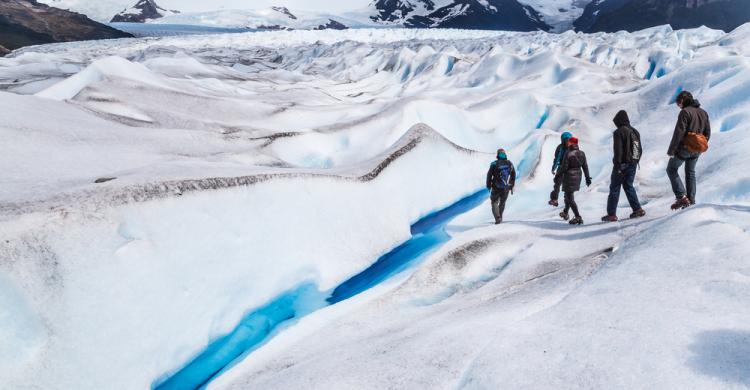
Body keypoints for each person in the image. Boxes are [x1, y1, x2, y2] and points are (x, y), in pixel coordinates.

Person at [666, 91, 711, 210]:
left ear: (683, 101)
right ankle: (691, 200)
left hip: (685, 148)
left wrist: (671, 150)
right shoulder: (703, 112)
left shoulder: (685, 112)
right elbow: (708, 132)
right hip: (698, 149)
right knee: (690, 172)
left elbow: (679, 133)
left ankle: (681, 197)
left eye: (678, 103)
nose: (678, 105)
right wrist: (700, 144)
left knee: (671, 169)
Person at [602, 110, 646, 222]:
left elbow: (618, 152)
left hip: (621, 165)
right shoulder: (635, 131)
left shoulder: (619, 132)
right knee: (628, 186)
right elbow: (639, 150)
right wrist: (635, 162)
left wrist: (617, 166)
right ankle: (638, 209)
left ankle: (611, 214)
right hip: (633, 164)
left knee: (614, 188)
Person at [555, 137, 591, 225]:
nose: (567, 143)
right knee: (569, 196)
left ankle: (578, 217)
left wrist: (557, 175)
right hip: (578, 176)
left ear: (571, 143)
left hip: (569, 177)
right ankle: (565, 212)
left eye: (569, 142)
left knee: (570, 198)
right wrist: (587, 178)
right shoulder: (582, 153)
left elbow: (564, 167)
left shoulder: (568, 153)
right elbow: (585, 166)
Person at [486, 148, 516, 224]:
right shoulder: (509, 163)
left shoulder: (494, 164)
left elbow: (489, 175)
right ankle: (500, 217)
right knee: (502, 203)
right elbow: (513, 174)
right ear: (505, 154)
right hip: (506, 187)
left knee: (494, 202)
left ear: (498, 155)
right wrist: (511, 184)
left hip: (496, 187)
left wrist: (488, 185)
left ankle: (497, 218)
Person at [549, 131, 573, 207]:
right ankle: (566, 207)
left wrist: (553, 168)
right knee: (567, 189)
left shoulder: (560, 147)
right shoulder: (573, 147)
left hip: (562, 170)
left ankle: (554, 200)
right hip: (569, 171)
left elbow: (557, 159)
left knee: (557, 185)